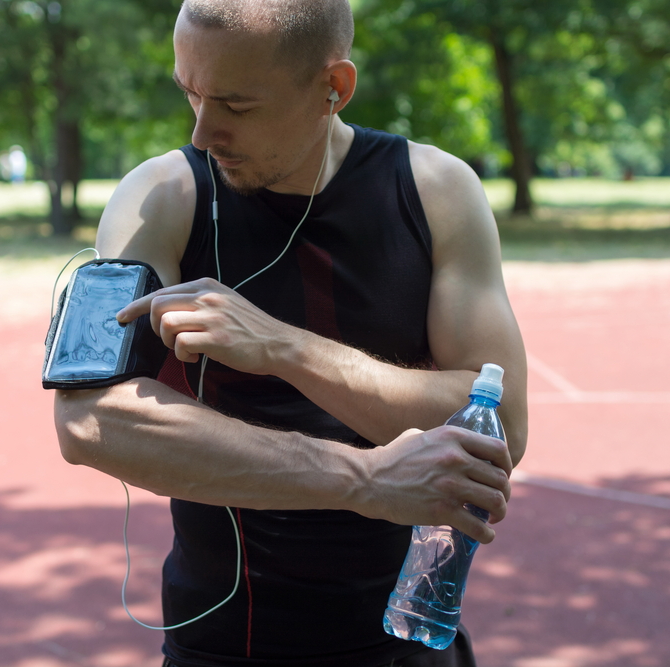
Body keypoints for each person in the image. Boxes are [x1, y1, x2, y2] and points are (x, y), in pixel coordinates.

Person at [54, 1, 528, 665]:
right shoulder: (160, 196)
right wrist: (360, 477)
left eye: (236, 105)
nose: (201, 131)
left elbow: (499, 422)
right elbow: (88, 419)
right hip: (222, 647)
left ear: (333, 87)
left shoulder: (436, 191)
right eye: (189, 92)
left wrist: (284, 347)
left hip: (410, 641)